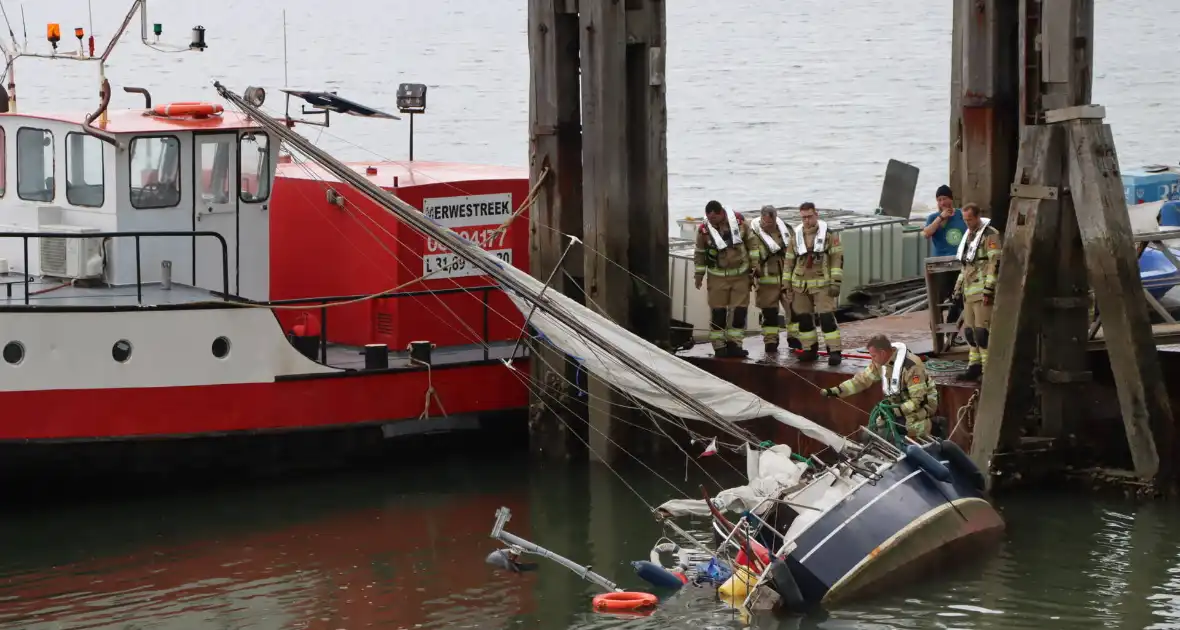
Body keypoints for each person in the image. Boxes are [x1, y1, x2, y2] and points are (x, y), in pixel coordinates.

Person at [820, 334, 939, 440]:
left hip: (924, 403)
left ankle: (935, 427)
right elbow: (861, 380)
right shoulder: (880, 363)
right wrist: (838, 390)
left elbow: (918, 400)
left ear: (882, 353)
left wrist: (896, 411)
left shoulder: (912, 366)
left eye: (873, 356)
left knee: (909, 426)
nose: (872, 359)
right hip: (898, 403)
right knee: (880, 425)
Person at [785, 202, 843, 366]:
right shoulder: (795, 237)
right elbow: (789, 261)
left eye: (810, 216)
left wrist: (835, 282)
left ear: (816, 215)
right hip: (800, 285)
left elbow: (837, 260)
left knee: (826, 318)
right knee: (804, 319)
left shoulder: (829, 236)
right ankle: (809, 349)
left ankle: (835, 351)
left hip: (822, 284)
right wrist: (786, 283)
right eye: (803, 217)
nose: (807, 220)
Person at [694, 200, 753, 358]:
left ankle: (735, 344)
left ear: (721, 213)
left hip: (740, 275)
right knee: (718, 312)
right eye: (709, 218)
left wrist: (755, 268)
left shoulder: (740, 223)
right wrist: (698, 276)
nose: (711, 221)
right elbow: (699, 253)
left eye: (714, 218)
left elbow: (753, 245)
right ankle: (719, 346)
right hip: (717, 276)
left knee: (739, 312)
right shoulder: (704, 231)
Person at [952, 202, 1001, 381]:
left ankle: (989, 369)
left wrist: (989, 289)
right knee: (970, 332)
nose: (967, 223)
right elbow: (965, 266)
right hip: (969, 291)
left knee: (982, 332)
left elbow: (994, 263)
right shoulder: (969, 236)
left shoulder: (990, 235)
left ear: (978, 216)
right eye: (965, 220)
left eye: (970, 219)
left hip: (981, 291)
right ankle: (974, 365)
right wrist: (958, 288)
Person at [745, 204, 799, 355]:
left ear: (776, 218)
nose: (769, 224)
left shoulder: (786, 229)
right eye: (766, 222)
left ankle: (794, 338)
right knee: (770, 314)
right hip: (766, 280)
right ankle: (771, 342)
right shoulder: (752, 233)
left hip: (786, 278)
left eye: (772, 221)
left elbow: (795, 249)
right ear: (762, 218)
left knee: (794, 309)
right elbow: (748, 254)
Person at [922, 185, 967, 257]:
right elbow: (926, 234)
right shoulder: (933, 217)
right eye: (939, 200)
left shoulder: (962, 214)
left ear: (951, 199)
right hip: (940, 260)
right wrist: (940, 218)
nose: (942, 203)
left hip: (960, 258)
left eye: (945, 199)